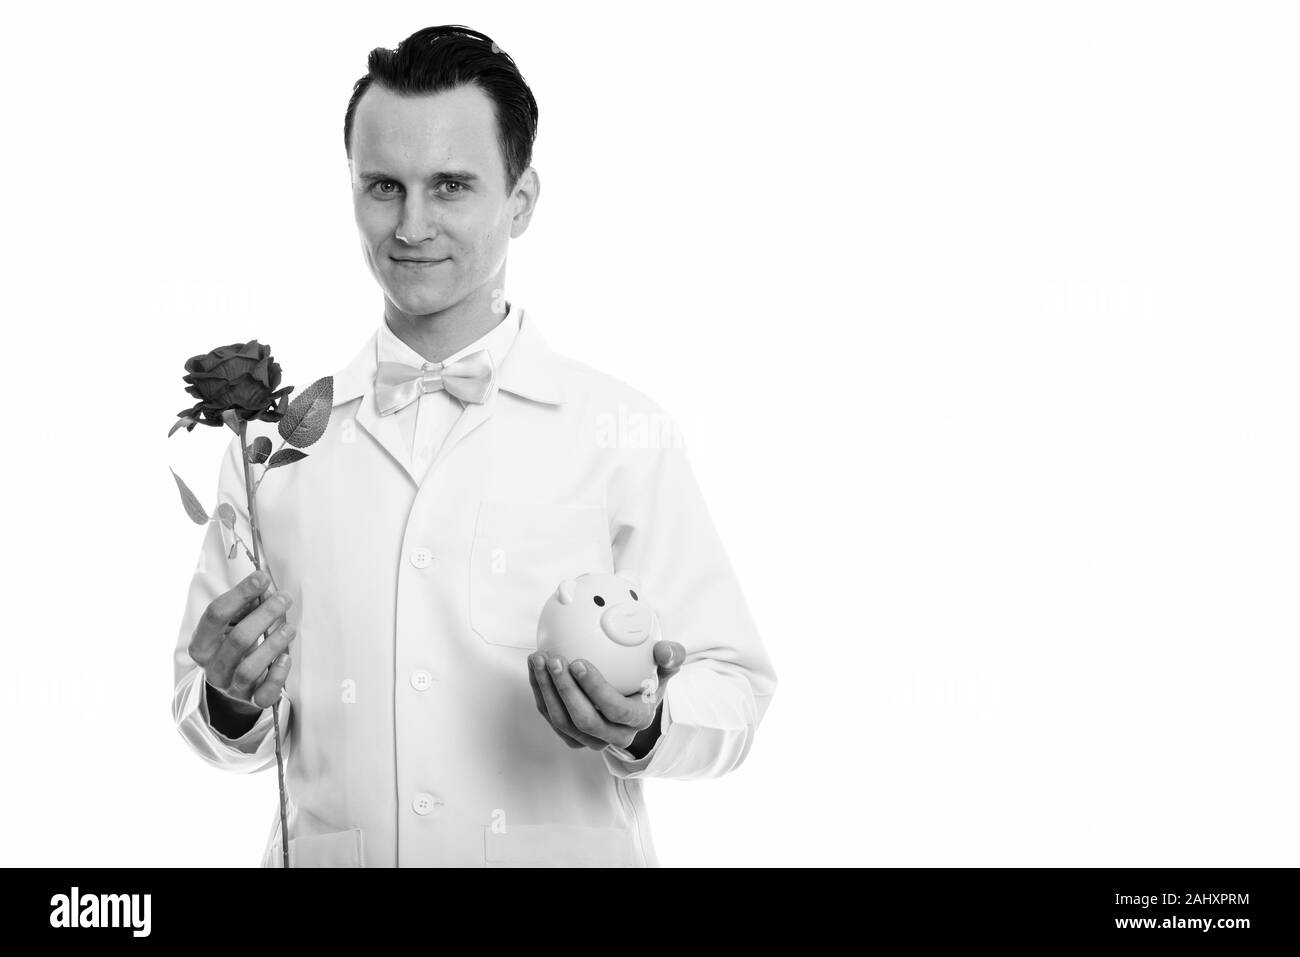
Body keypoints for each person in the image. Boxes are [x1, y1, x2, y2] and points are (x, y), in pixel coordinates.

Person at [171, 24, 777, 867]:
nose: (412, 224)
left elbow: (737, 685)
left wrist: (651, 721)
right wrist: (232, 699)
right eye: (384, 186)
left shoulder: (619, 431)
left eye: (451, 185)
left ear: (521, 200)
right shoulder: (270, 450)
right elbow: (212, 718)